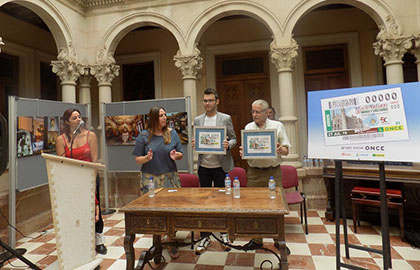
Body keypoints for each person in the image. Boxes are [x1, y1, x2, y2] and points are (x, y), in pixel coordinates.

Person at [240, 99, 291, 252]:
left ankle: (279, 240)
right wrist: (243, 152)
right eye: (252, 111)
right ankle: (256, 239)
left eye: (257, 112)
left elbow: (287, 150)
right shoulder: (248, 127)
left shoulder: (277, 126)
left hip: (273, 173)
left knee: (276, 207)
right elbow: (246, 149)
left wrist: (281, 149)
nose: (254, 115)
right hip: (254, 173)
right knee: (254, 207)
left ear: (266, 113)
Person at [132, 106, 183, 259]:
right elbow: (137, 159)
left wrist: (176, 156)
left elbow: (180, 154)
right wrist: (146, 158)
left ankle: (171, 240)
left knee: (171, 209)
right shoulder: (143, 136)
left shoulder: (172, 133)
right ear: (153, 118)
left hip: (169, 177)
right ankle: (157, 241)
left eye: (165, 115)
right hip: (150, 178)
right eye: (160, 115)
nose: (164, 118)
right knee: (154, 211)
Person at [56, 108, 107, 255]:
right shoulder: (62, 140)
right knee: (76, 210)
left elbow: (95, 158)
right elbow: (61, 162)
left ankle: (99, 241)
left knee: (94, 208)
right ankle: (79, 239)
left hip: (90, 177)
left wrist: (90, 177)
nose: (78, 119)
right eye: (74, 118)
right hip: (72, 180)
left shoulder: (90, 136)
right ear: (67, 122)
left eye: (79, 117)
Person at [193, 88, 237, 255]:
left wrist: (228, 145)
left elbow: (233, 138)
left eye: (210, 100)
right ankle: (205, 236)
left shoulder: (225, 118)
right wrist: (195, 143)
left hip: (221, 167)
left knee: (222, 201)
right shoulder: (198, 120)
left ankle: (224, 234)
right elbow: (197, 139)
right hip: (204, 167)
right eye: (205, 100)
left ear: (217, 101)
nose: (207, 103)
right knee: (204, 203)